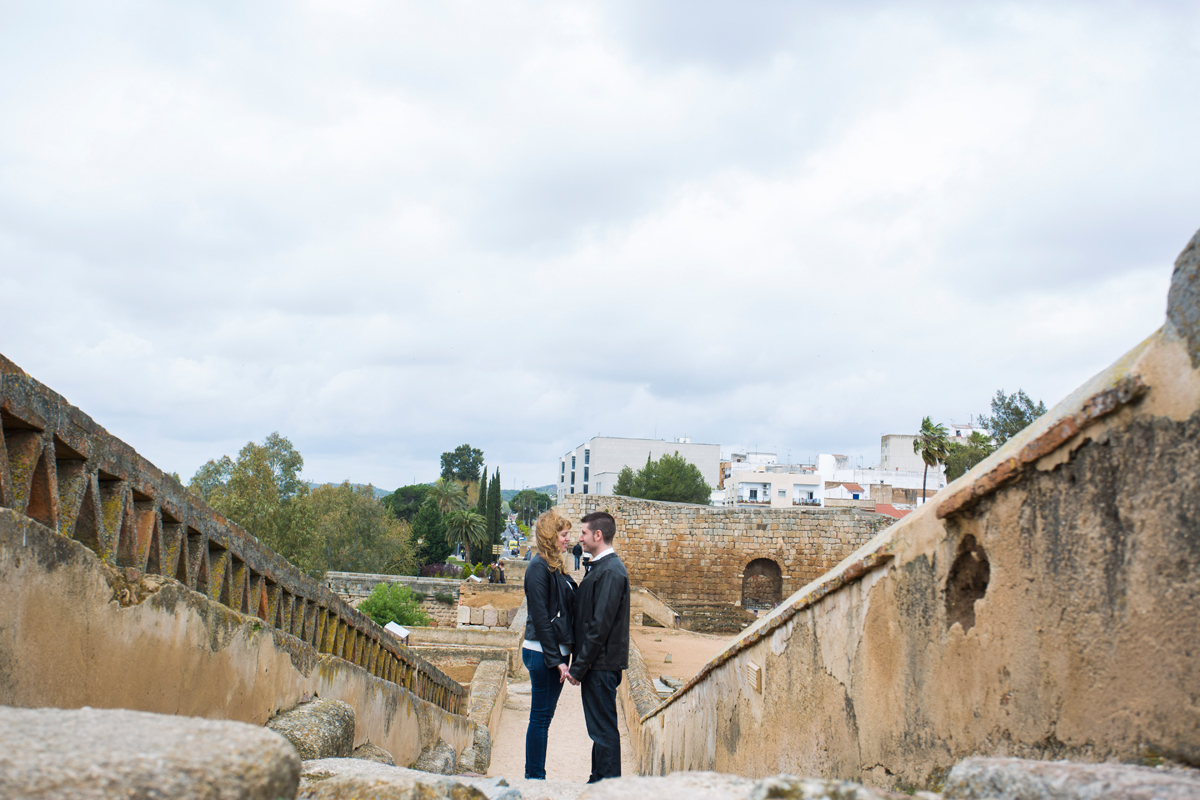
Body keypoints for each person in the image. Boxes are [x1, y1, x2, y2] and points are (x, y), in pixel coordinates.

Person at [567, 511, 630, 784]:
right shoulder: (602, 568)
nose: (579, 538)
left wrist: (578, 668)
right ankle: (598, 781)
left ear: (598, 535)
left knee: (604, 730)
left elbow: (599, 626)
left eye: (583, 533)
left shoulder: (611, 572)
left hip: (601, 665)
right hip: (598, 664)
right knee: (599, 730)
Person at [522, 510, 577, 780]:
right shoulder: (538, 568)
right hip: (542, 655)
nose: (569, 539)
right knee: (540, 719)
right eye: (564, 534)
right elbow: (541, 619)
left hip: (552, 654)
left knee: (543, 718)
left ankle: (535, 777)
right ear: (550, 536)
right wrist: (556, 660)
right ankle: (534, 780)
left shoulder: (554, 567)